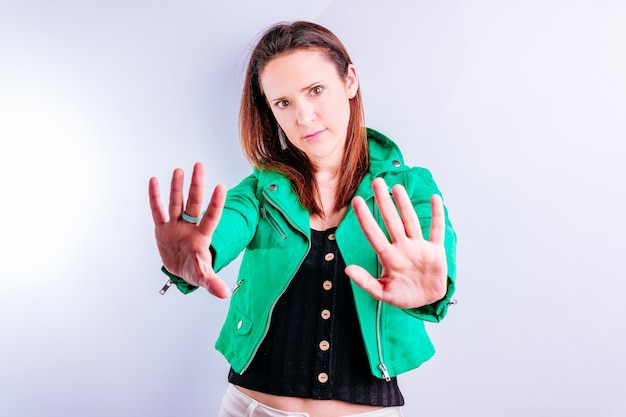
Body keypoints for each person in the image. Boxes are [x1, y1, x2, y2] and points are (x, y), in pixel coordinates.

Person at [149, 20, 457, 417]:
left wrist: (433, 291)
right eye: (283, 103)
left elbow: (434, 260)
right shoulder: (261, 189)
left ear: (349, 81)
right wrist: (198, 252)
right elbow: (227, 223)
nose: (304, 117)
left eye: (315, 90)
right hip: (249, 408)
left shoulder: (409, 188)